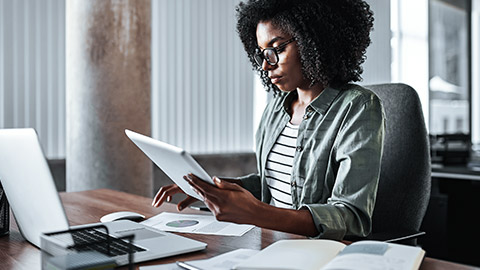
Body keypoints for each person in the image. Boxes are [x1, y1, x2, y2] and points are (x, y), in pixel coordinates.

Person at [152, 0, 385, 240]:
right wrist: (212, 189)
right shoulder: (276, 107)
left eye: (277, 49)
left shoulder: (358, 107)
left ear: (315, 41)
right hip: (270, 241)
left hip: (315, 252)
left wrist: (256, 213)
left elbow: (351, 218)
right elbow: (272, 184)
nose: (265, 64)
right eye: (262, 53)